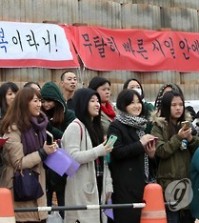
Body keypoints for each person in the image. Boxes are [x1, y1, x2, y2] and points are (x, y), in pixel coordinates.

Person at [0, 87, 57, 223]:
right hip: (20, 189)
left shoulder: (39, 126)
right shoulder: (13, 129)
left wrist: (51, 150)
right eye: (35, 101)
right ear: (24, 103)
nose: (39, 104)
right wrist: (43, 152)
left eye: (40, 101)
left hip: (38, 188)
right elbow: (18, 163)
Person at [61, 88, 113, 223]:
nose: (97, 104)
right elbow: (72, 157)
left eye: (98, 101)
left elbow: (104, 160)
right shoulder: (75, 127)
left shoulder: (96, 127)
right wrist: (100, 150)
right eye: (92, 101)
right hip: (81, 186)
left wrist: (108, 184)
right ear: (83, 103)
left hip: (98, 182)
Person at [107, 89, 156, 223]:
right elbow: (116, 152)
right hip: (124, 185)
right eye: (132, 103)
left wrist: (151, 154)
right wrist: (140, 144)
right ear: (123, 105)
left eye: (138, 102)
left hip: (141, 183)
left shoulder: (141, 125)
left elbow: (142, 155)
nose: (137, 106)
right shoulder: (115, 126)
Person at [151, 91, 199, 223]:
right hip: (169, 183)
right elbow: (160, 151)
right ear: (166, 106)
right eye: (174, 105)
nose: (178, 108)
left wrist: (190, 139)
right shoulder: (158, 126)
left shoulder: (188, 125)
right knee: (172, 219)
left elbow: (197, 151)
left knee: (188, 218)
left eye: (181, 104)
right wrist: (178, 138)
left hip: (188, 182)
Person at [40, 81, 75, 219]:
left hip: (63, 164)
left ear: (57, 100)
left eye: (49, 101)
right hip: (44, 164)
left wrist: (50, 128)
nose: (45, 104)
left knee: (64, 204)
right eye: (43, 101)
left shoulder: (69, 115)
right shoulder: (39, 116)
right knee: (45, 206)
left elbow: (69, 138)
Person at [0, 82, 19, 178]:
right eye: (10, 94)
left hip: (19, 159)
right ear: (3, 97)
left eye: (16, 93)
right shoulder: (1, 118)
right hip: (5, 163)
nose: (14, 97)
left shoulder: (22, 114)